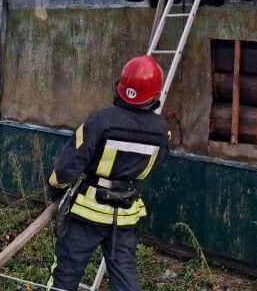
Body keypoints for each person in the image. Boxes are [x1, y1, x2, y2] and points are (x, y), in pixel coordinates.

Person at [46, 55, 170, 291]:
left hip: (86, 215)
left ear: (120, 88)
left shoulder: (100, 121)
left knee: (66, 274)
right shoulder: (162, 131)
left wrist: (55, 190)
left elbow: (65, 169)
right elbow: (154, 166)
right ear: (155, 96)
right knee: (125, 277)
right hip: (125, 215)